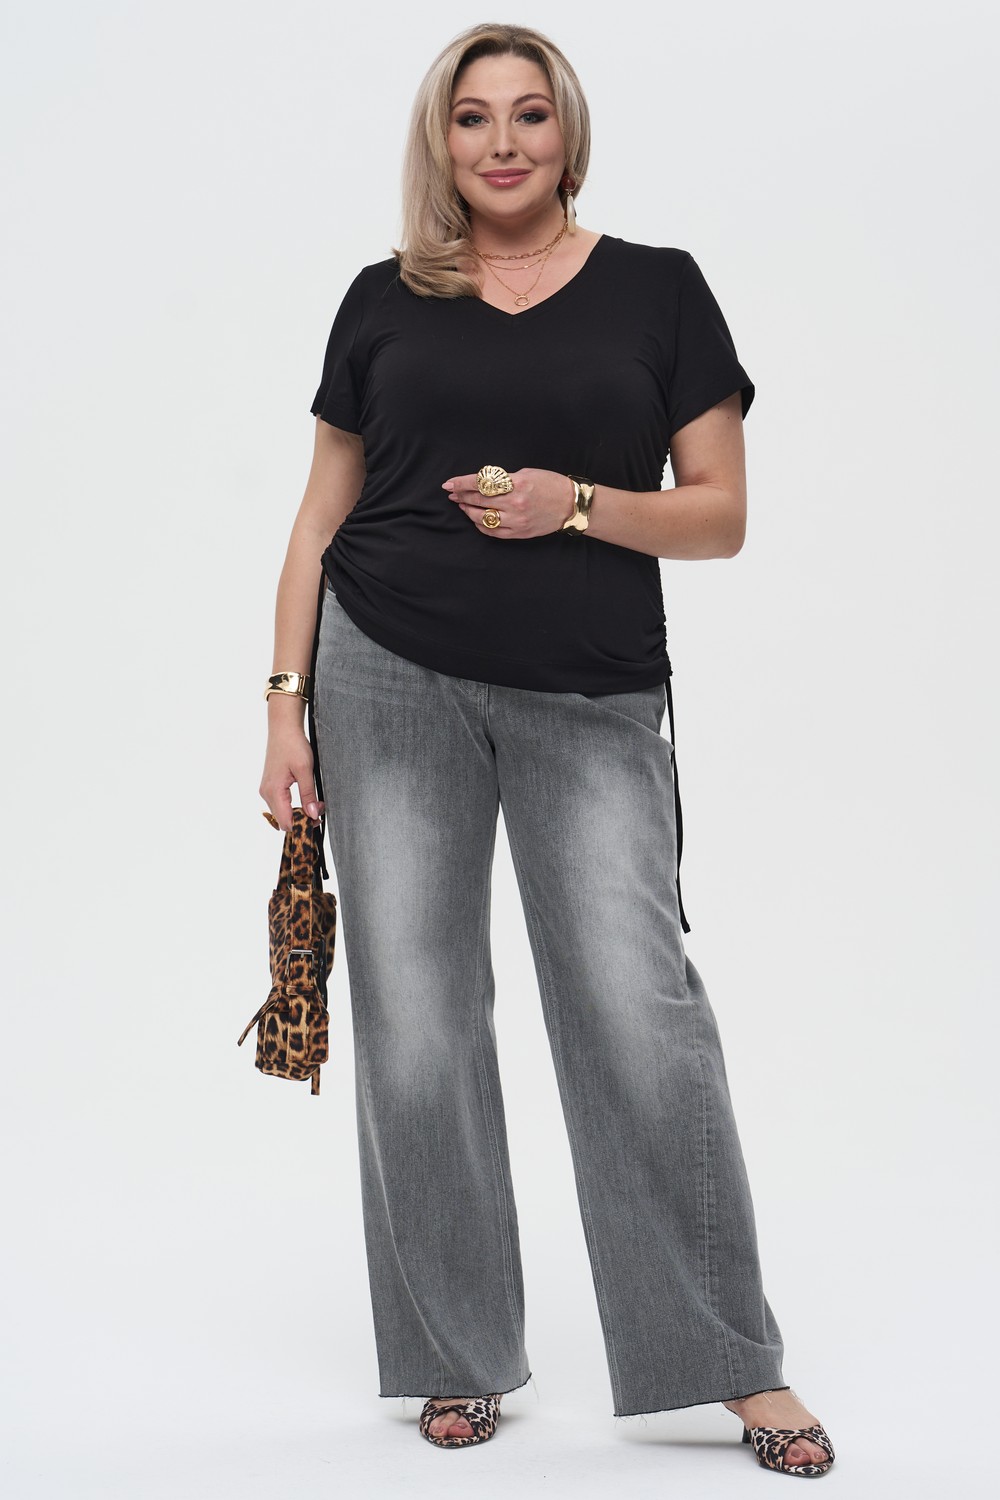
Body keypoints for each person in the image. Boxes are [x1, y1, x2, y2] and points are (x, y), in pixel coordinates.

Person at [259, 20, 835, 1478]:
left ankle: (731, 1362)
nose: (502, 142)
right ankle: (453, 1356)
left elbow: (721, 513)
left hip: (587, 690)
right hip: (385, 672)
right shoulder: (383, 298)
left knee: (638, 1011)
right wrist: (282, 703)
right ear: (440, 141)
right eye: (474, 117)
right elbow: (320, 515)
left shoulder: (659, 289)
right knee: (419, 1019)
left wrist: (572, 505)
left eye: (530, 114)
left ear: (568, 133)